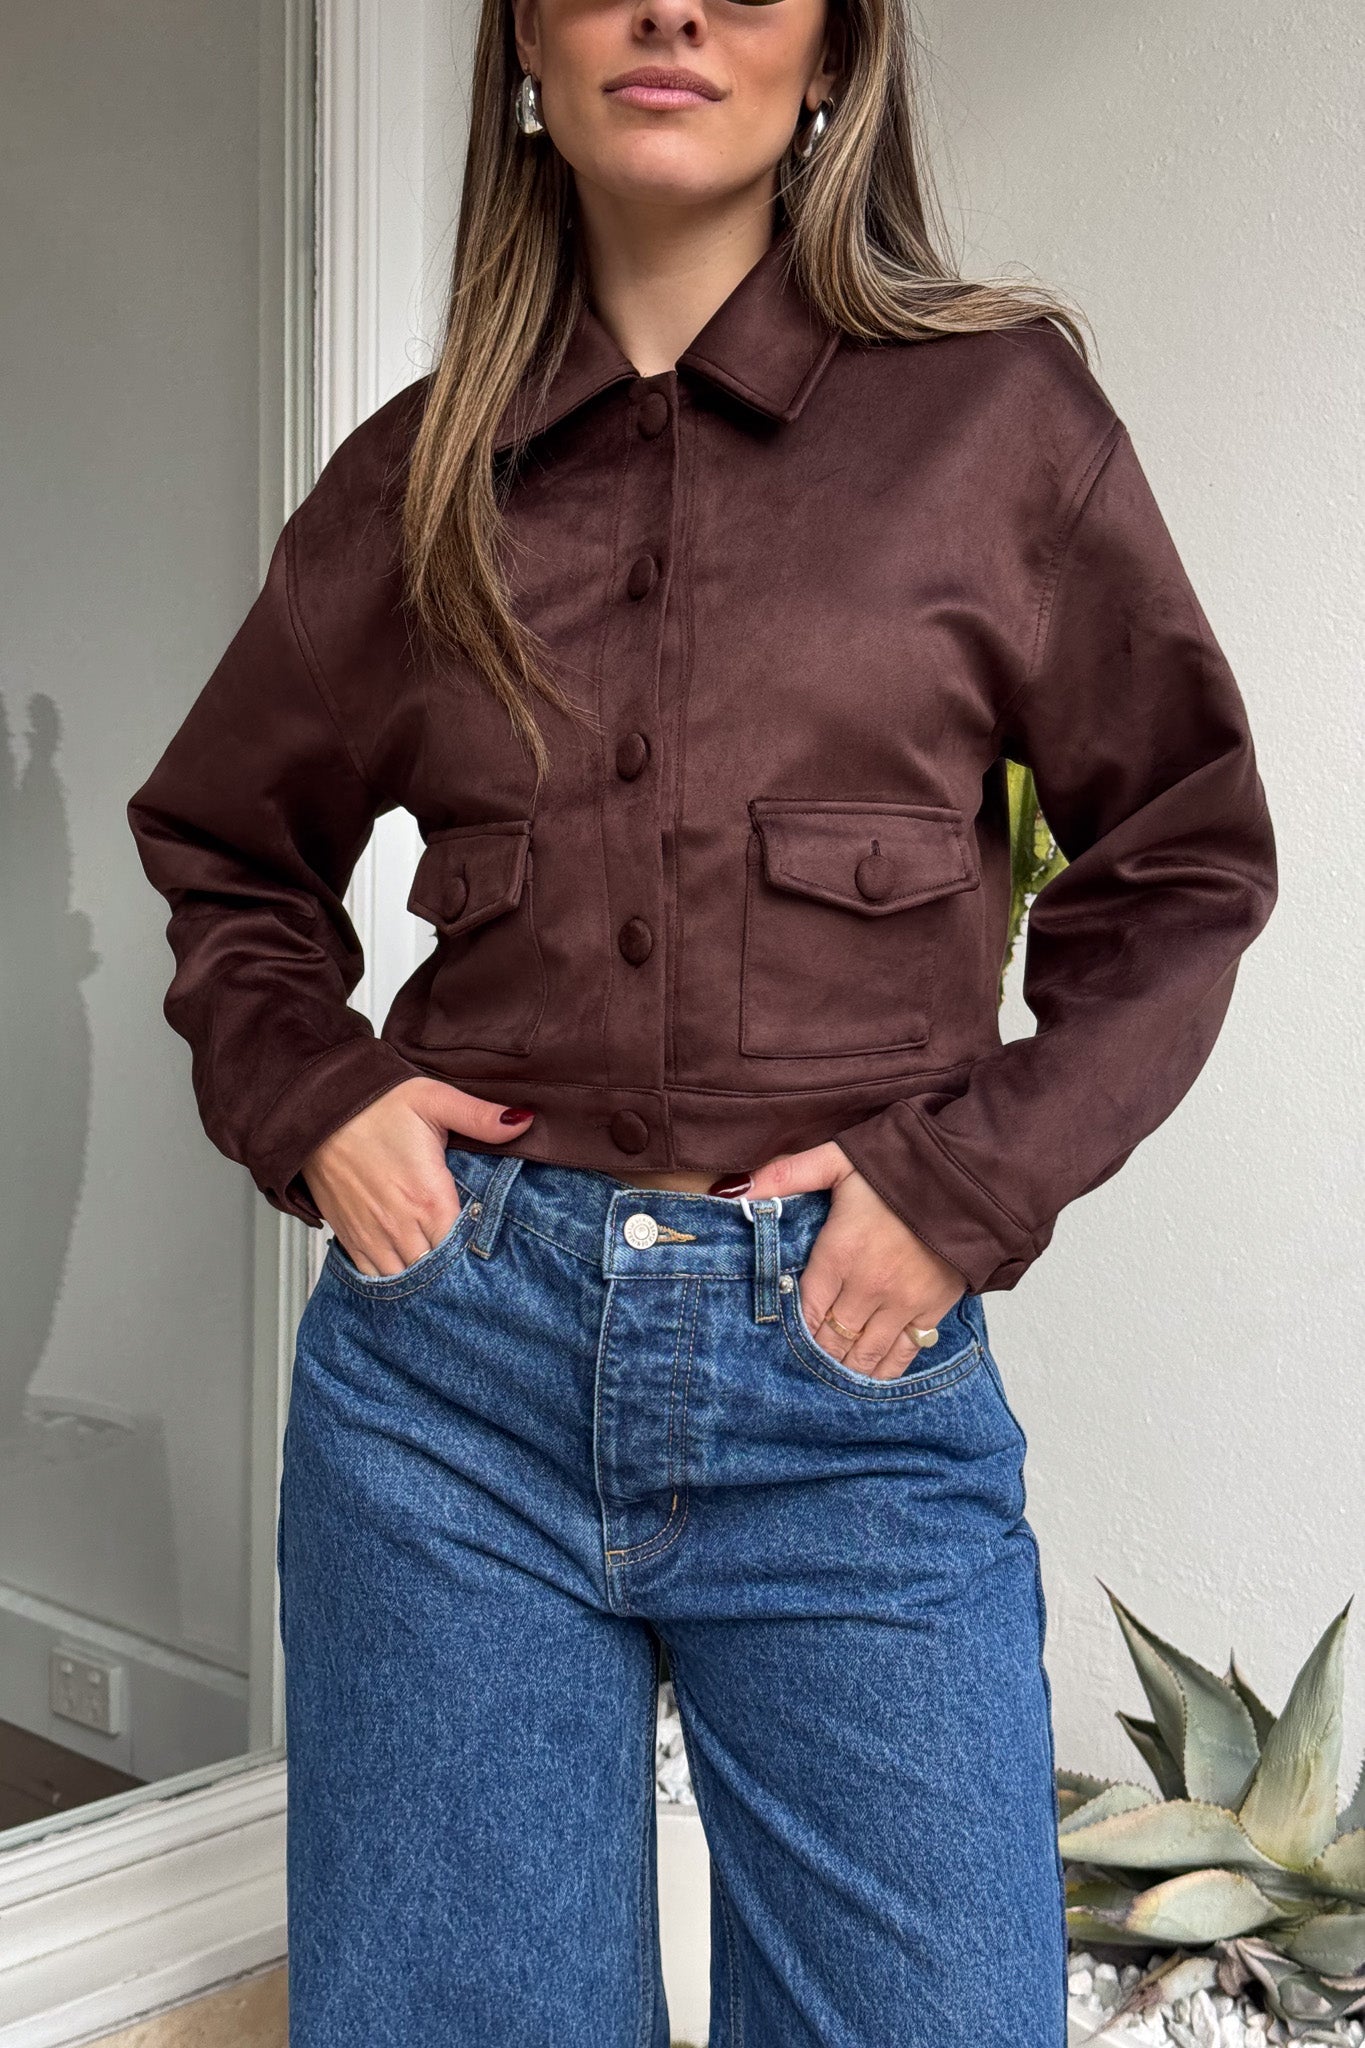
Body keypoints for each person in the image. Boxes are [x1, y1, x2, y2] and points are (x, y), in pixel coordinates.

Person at [125, 0, 1278, 2032]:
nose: (671, 9)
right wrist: (317, 1096)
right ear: (524, 47)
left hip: (844, 1383)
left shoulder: (996, 425)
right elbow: (225, 847)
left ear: (832, 55)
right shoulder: (412, 479)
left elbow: (1182, 858)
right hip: (446, 1389)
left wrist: (957, 1186)